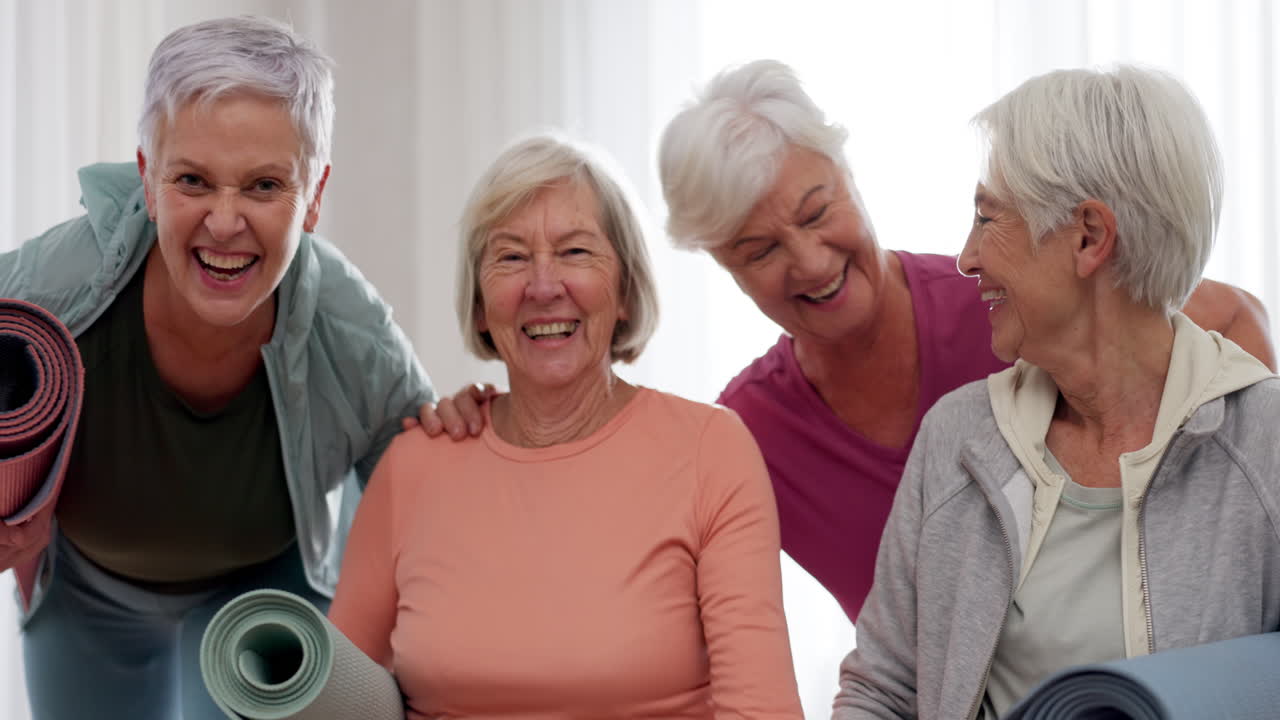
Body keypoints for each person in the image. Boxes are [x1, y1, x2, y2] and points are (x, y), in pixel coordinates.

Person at [429, 60, 1274, 625]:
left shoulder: (1008, 307)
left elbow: (1226, 321)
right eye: (757, 251)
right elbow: (620, 527)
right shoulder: (751, 431)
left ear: (848, 174)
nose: (809, 262)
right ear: (720, 266)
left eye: (815, 209)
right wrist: (500, 420)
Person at [0, 17, 438, 719]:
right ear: (147, 179)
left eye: (264, 186)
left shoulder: (356, 336)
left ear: (315, 196)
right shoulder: (48, 289)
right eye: (194, 181)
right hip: (86, 589)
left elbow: (436, 515)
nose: (226, 222)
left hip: (266, 589)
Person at [833, 65, 1280, 719]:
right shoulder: (956, 436)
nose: (966, 257)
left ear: (1089, 237)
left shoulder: (1264, 442)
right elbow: (883, 688)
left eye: (988, 219)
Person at [328, 135, 804, 719]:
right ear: (480, 304)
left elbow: (761, 711)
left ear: (625, 290)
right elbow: (330, 694)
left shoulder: (710, 451)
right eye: (510, 257)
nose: (543, 286)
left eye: (576, 252)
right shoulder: (415, 465)